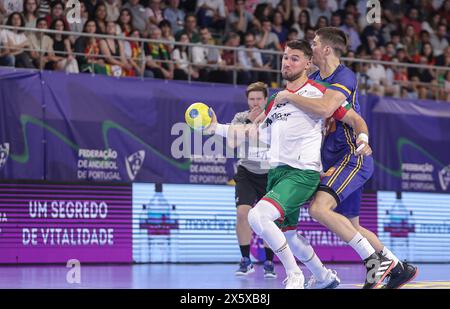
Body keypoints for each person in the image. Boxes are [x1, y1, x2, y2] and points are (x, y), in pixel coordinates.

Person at [273, 27, 418, 289]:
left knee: (319, 208)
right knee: (352, 226)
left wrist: (363, 138)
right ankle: (397, 267)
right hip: (331, 163)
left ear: (326, 49)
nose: (311, 47)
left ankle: (374, 263)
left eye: (314, 43)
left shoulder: (344, 76)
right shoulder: (314, 78)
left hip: (351, 157)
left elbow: (332, 109)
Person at [206, 40, 341, 289]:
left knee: (258, 216)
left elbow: (339, 116)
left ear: (308, 63)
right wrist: (215, 128)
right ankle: (324, 277)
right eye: (285, 57)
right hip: (277, 173)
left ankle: (294, 275)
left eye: (295, 58)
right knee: (289, 234)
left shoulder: (319, 92)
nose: (287, 62)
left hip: (301, 173)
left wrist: (355, 146)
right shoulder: (276, 100)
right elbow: (255, 133)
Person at [231, 82, 276, 279]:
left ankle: (268, 261)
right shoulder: (240, 117)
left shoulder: (275, 117)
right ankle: (245, 260)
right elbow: (232, 143)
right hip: (246, 172)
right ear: (247, 101)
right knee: (243, 214)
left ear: (266, 99)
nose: (255, 102)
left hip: (270, 173)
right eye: (252, 99)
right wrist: (249, 123)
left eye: (259, 99)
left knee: (269, 218)